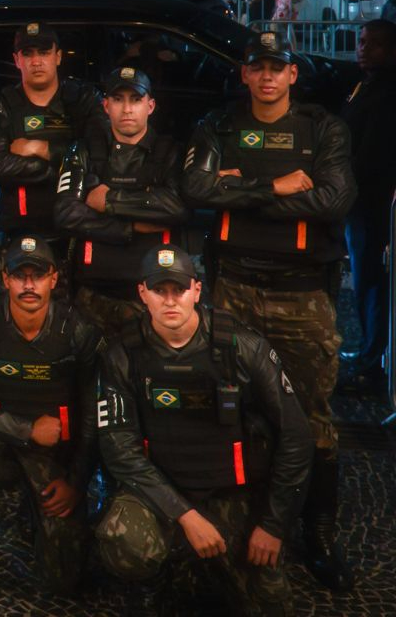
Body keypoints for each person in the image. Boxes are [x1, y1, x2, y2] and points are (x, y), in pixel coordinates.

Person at [182, 32, 357, 591]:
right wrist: (273, 186)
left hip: (302, 294)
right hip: (232, 289)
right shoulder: (220, 126)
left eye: (276, 68)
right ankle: (244, 518)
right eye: (256, 67)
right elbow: (195, 187)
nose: (265, 77)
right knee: (232, 408)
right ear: (244, 75)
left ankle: (319, 531)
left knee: (312, 418)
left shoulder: (321, 128)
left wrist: (241, 189)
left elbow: (334, 199)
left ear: (291, 76)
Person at [94, 245, 313, 614]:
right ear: (142, 294)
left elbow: (297, 436)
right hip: (162, 494)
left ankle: (202, 569)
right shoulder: (121, 356)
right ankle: (152, 581)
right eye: (158, 290)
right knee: (122, 538)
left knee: (271, 604)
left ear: (196, 291)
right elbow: (119, 450)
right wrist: (186, 515)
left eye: (178, 289)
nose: (170, 301)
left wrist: (274, 525)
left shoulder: (242, 347)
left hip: (234, 492)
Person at [0, 237, 102, 615]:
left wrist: (77, 483)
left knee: (64, 581)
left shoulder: (80, 333)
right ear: (4, 280)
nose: (29, 284)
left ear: (54, 279)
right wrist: (26, 430)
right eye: (19, 275)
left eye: (38, 274)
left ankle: (38, 504)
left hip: (51, 455)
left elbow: (97, 416)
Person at [55, 67, 188, 334]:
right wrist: (129, 228)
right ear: (106, 106)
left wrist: (110, 201)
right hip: (91, 294)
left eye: (135, 100)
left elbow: (176, 207)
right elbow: (66, 212)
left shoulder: (170, 152)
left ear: (150, 106)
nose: (127, 109)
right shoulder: (84, 151)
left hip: (152, 296)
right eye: (118, 99)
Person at [0, 22, 105, 267]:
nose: (36, 61)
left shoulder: (83, 99)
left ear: (58, 56)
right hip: (19, 236)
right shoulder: (0, 104)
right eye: (28, 53)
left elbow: (99, 159)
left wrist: (40, 149)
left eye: (44, 52)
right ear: (17, 60)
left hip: (76, 234)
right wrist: (69, 166)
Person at [340, 19, 396, 392]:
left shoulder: (387, 92)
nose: (363, 48)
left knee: (373, 283)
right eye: (361, 41)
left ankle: (372, 360)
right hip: (361, 202)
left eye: (373, 44)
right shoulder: (366, 84)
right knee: (365, 281)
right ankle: (368, 350)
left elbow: (372, 153)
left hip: (373, 203)